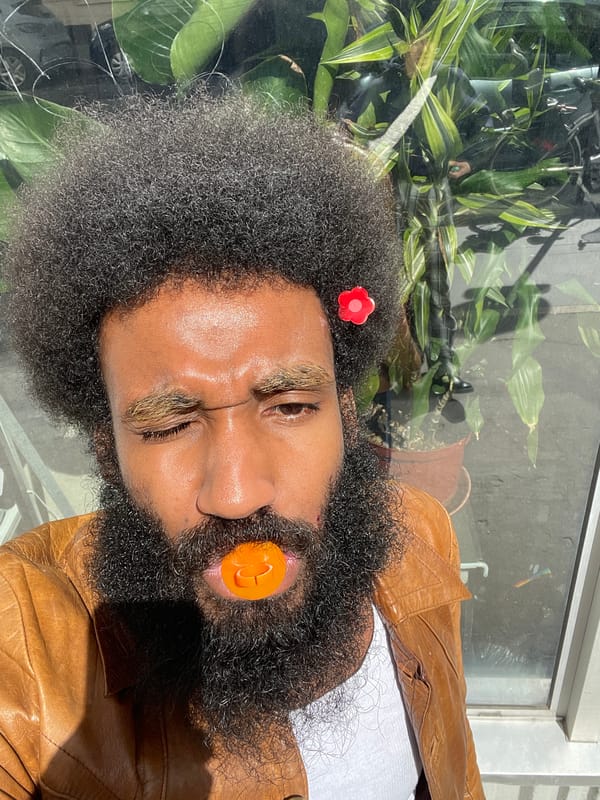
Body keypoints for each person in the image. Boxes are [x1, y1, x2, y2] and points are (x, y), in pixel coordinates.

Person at [0, 93, 483, 798]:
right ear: (106, 448)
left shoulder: (423, 539)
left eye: (289, 406)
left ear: (345, 411)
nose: (236, 493)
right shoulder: (27, 650)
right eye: (168, 425)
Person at [340, 40, 492, 396]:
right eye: (413, 40)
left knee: (437, 285)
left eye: (429, 38)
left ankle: (444, 368)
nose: (420, 48)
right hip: (394, 191)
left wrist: (471, 159)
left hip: (436, 192)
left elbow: (481, 120)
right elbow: (347, 123)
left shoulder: (447, 79)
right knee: (393, 285)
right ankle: (392, 373)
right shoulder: (385, 81)